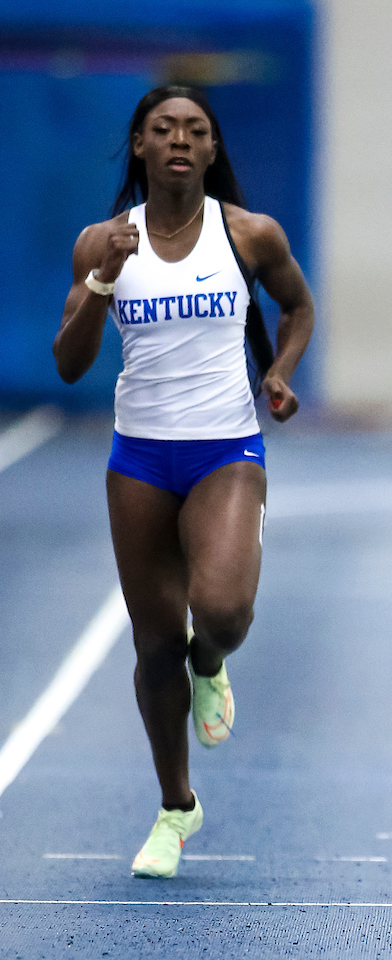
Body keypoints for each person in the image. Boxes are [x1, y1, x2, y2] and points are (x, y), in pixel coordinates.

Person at [53, 86, 314, 877]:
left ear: (211, 149)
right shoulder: (102, 241)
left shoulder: (250, 234)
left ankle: (213, 663)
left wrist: (279, 370)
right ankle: (176, 807)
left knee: (224, 613)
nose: (178, 139)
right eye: (162, 128)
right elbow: (69, 363)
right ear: (139, 144)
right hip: (139, 459)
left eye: (194, 130)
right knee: (156, 642)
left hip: (225, 451)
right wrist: (103, 281)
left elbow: (298, 308)